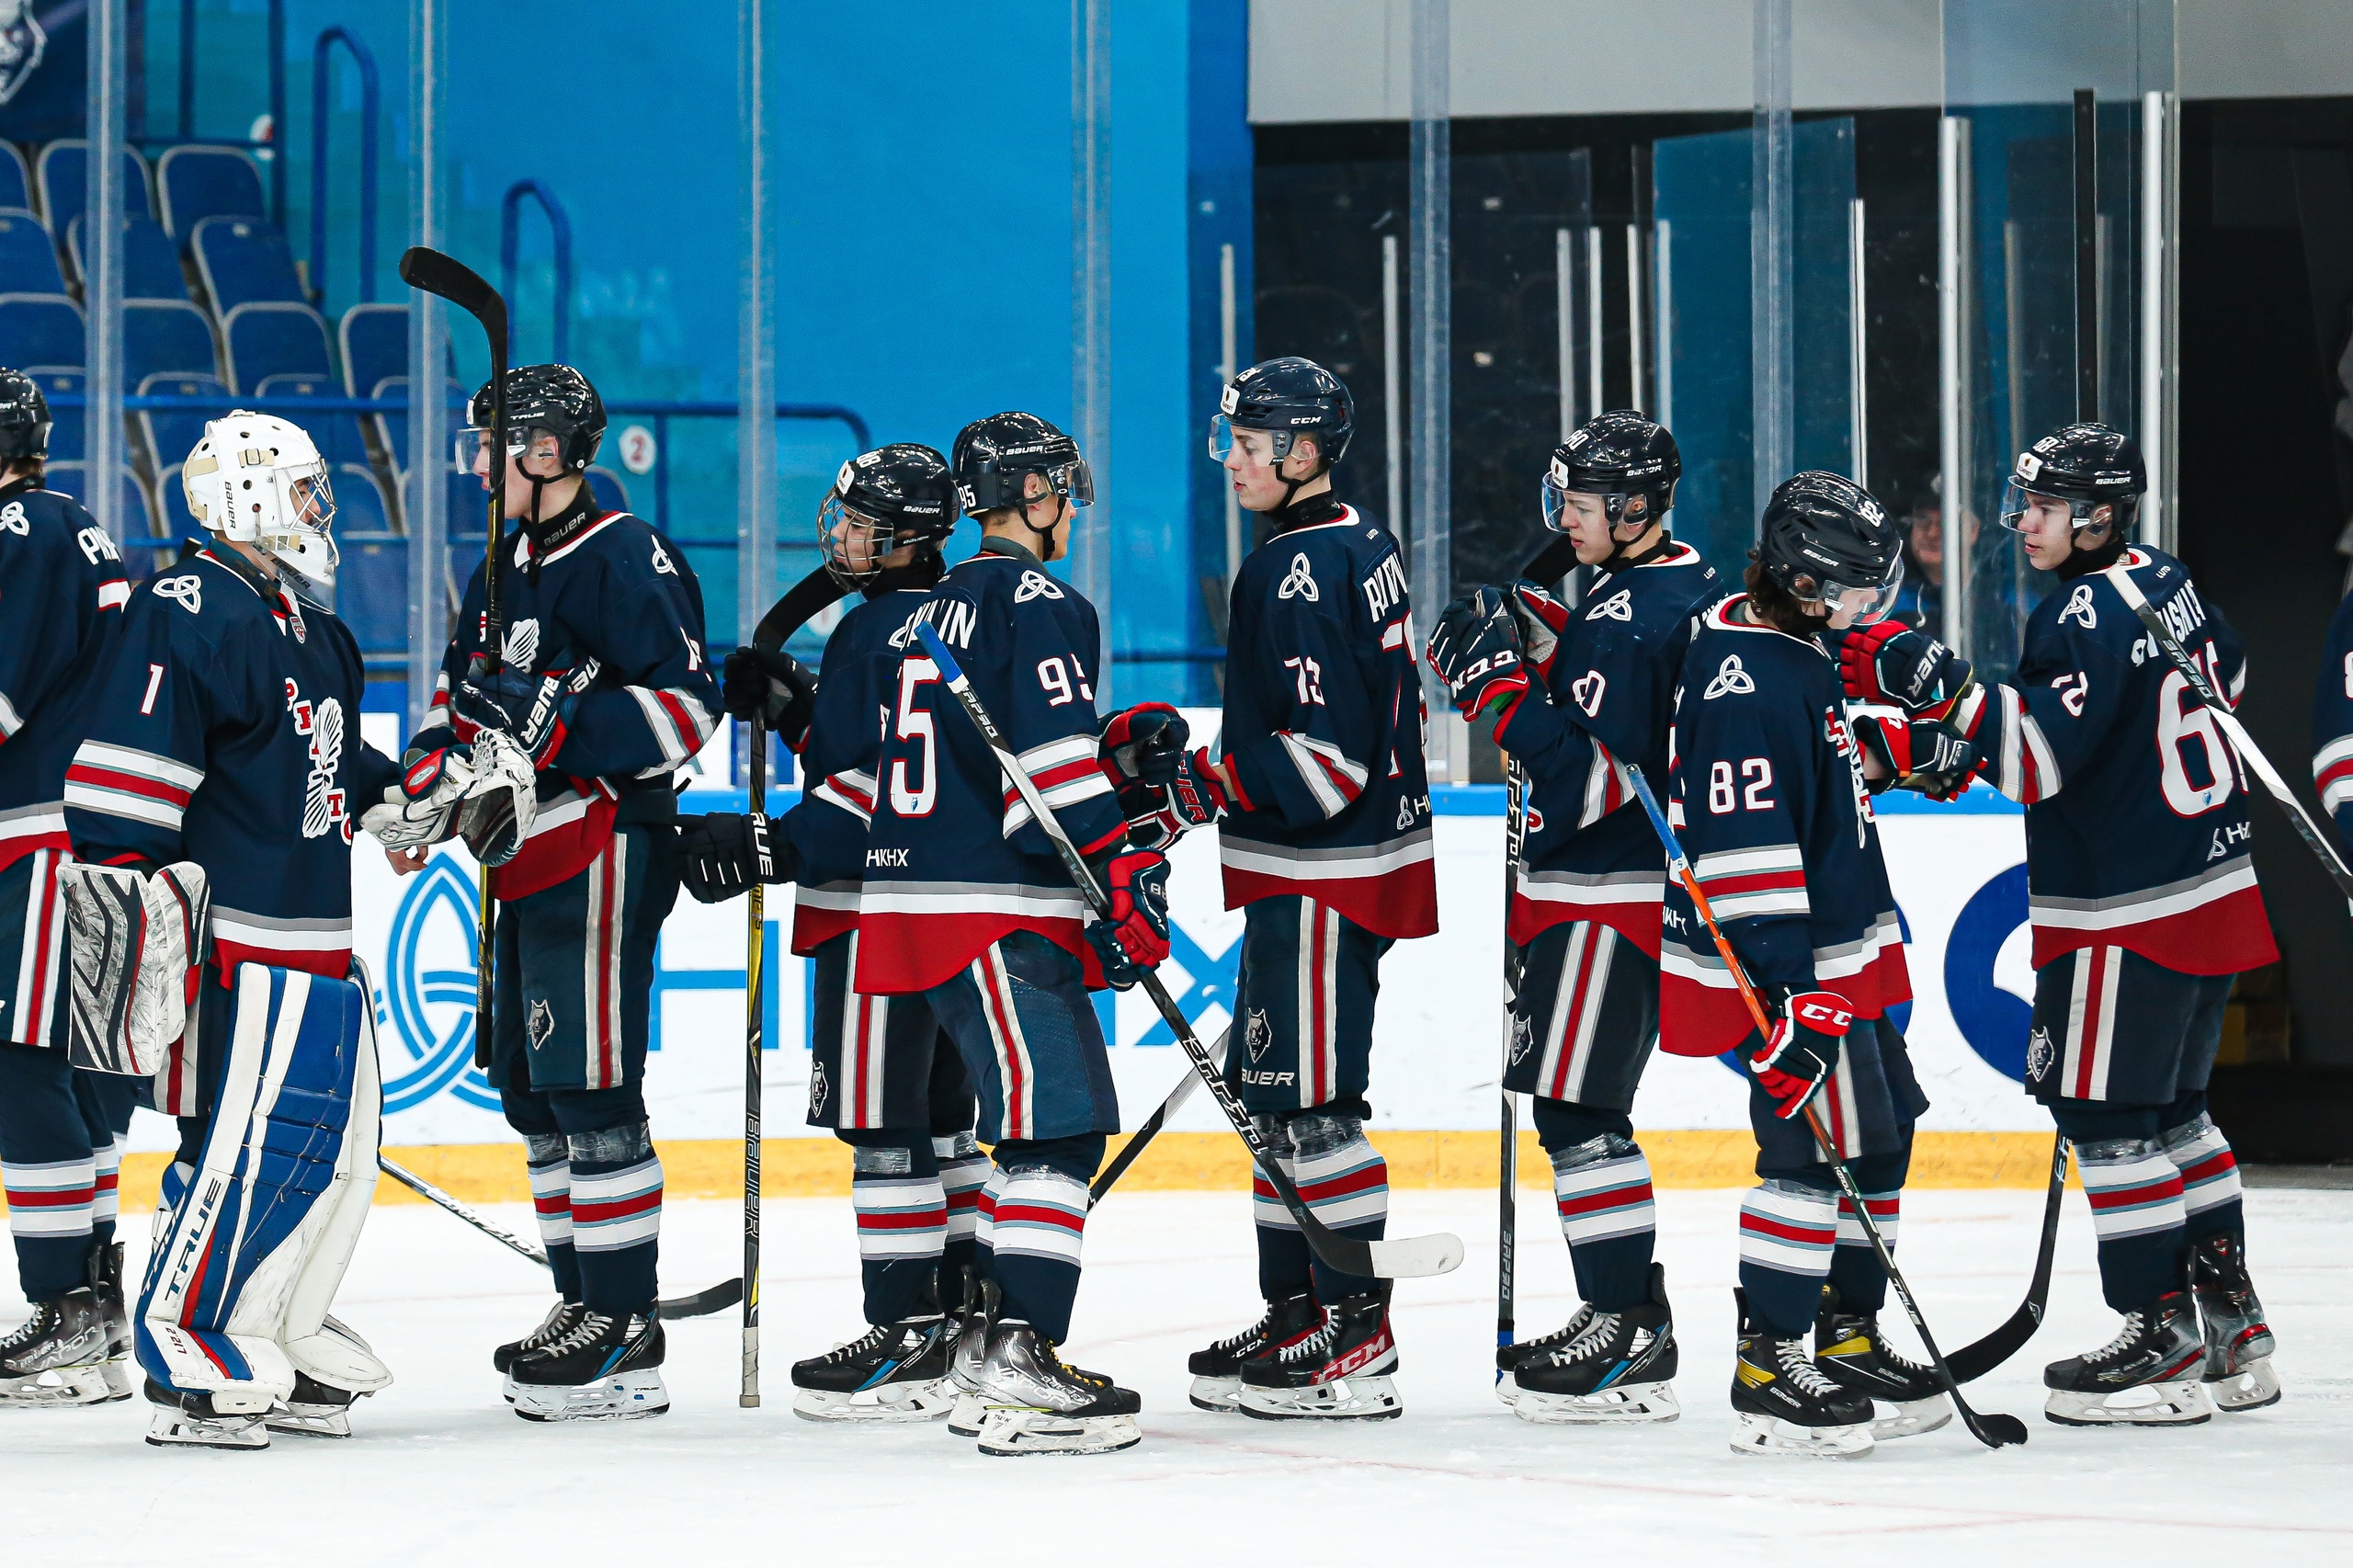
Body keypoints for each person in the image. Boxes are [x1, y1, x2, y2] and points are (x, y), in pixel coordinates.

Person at [1844, 423, 2281, 1426]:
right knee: (2176, 1114)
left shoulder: (2077, 613)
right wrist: (1967, 740)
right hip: (2210, 887)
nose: (2024, 522)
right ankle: (2231, 1320)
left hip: (2129, 911)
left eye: (2044, 507)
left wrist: (1942, 685)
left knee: (2106, 1118)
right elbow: (2225, 679)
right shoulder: (2162, 577)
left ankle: (2159, 1335)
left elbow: (2035, 759)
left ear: (2097, 516)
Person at [62, 412, 410, 1448]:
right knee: (229, 1148)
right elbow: (118, 792)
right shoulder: (185, 608)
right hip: (233, 947)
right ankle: (190, 1344)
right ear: (247, 496)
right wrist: (141, 929)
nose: (318, 508)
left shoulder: (310, 626)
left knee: (314, 1158)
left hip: (319, 942)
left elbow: (327, 763)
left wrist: (411, 798)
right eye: (303, 488)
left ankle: (271, 1326)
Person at [1107, 357, 1435, 1421]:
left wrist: (1193, 787)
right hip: (1329, 867)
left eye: (1252, 443)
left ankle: (1354, 1328)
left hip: (1324, 872)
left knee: (1316, 1107)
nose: (1233, 460)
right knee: (1274, 1098)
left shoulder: (1294, 568)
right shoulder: (1357, 537)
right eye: (1232, 440)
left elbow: (1324, 760)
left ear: (1303, 450)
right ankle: (1297, 1311)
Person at [396, 364, 717, 1422]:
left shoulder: (626, 553)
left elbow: (687, 711)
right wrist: (426, 792)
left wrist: (560, 723)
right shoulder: (502, 564)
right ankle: (584, 1301)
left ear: (545, 451)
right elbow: (457, 700)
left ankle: (625, 1328)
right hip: (518, 854)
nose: (477, 465)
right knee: (533, 1094)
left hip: (603, 842)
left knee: (590, 1087)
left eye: (493, 445)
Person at [853, 411, 1164, 1456]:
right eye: (1060, 489)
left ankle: (989, 1343)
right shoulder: (1042, 602)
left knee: (1028, 1127)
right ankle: (1022, 1359)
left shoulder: (931, 607)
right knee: (1055, 1130)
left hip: (914, 900)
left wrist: (1111, 763)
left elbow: (1003, 751)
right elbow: (1050, 782)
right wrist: (1125, 871)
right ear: (1032, 494)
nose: (1069, 507)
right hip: (994, 906)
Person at [1661, 471, 1981, 1460]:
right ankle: (1769, 1361)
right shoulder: (1740, 681)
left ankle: (1845, 1339)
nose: (1867, 606)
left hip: (1842, 941)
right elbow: (1744, 847)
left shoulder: (1788, 643)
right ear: (1801, 582)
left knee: (1882, 1136)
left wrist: (1896, 747)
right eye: (1853, 589)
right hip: (1794, 965)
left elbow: (1820, 749)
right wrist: (1787, 993)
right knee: (1807, 1152)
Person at [674, 444, 989, 1422]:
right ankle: (971, 1320)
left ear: (904, 540)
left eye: (860, 524)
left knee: (885, 1131)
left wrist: (767, 842)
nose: (842, 537)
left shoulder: (867, 630)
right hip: (953, 913)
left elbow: (864, 794)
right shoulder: (964, 616)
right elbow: (907, 759)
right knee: (947, 1121)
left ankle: (904, 1336)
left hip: (869, 915)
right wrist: (794, 708)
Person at [1425, 411, 1717, 1423]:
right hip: (1587, 893)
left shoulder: (1643, 614)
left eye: (1581, 502)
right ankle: (1621, 1315)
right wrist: (1542, 650)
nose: (1563, 518)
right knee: (1574, 1110)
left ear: (1634, 509)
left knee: (1580, 1113)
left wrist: (1499, 692)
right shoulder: (1645, 593)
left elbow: (1597, 782)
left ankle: (1627, 1325)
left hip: (1611, 896)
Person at [0, 368, 136, 1408]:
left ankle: (69, 1309)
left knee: (23, 1064)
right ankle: (91, 1306)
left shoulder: (22, 527)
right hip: (81, 831)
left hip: (39, 836)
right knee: (75, 1075)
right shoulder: (70, 526)